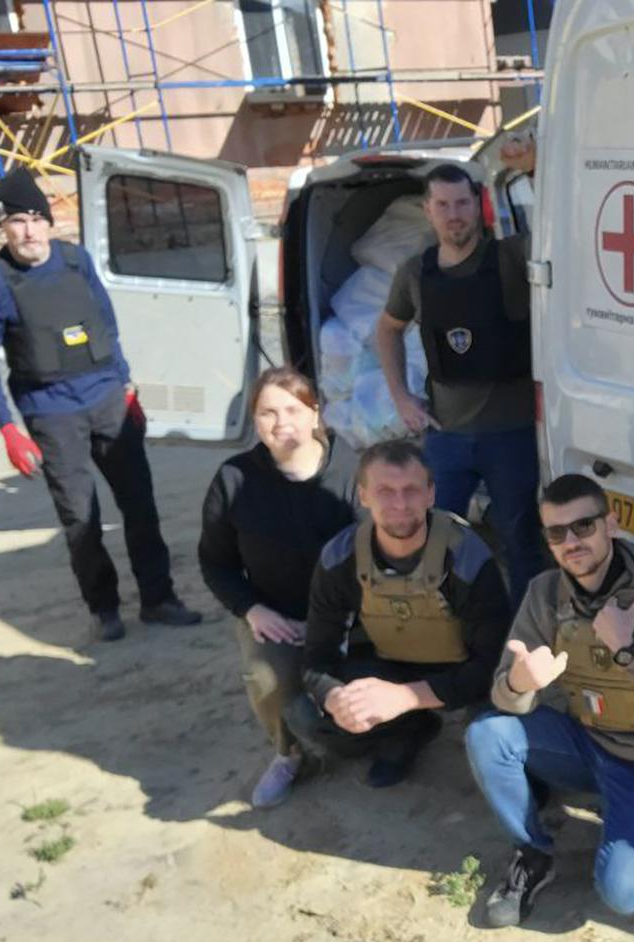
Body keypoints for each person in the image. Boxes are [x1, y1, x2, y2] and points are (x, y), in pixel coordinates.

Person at [465, 473, 634, 927]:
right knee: (488, 735)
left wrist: (628, 651)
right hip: (581, 740)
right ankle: (533, 853)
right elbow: (505, 696)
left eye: (583, 526)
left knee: (625, 895)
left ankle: (627, 817)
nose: (571, 542)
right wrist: (520, 683)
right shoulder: (544, 594)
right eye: (557, 533)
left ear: (611, 525)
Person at [0, 167, 200, 642]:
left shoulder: (75, 261)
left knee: (140, 504)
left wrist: (126, 386)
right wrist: (7, 427)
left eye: (35, 218)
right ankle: (104, 608)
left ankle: (159, 599)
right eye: (16, 222)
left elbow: (106, 326)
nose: (28, 230)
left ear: (49, 220)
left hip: (108, 399)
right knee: (80, 517)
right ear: (2, 227)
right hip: (51, 412)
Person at [285, 439, 510, 789]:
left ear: (431, 494)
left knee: (497, 731)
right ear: (363, 495)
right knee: (306, 715)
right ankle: (409, 730)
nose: (400, 504)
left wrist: (407, 697)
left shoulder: (467, 556)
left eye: (411, 490)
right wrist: (336, 697)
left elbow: (493, 664)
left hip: (466, 672)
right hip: (385, 668)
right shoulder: (339, 558)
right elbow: (317, 657)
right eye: (385, 491)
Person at [375, 159, 547, 602]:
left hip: (511, 435)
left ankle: (526, 638)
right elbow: (388, 328)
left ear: (478, 207)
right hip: (446, 435)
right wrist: (402, 398)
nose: (454, 214)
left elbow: (562, 228)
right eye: (443, 204)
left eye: (463, 203)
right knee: (434, 538)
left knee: (522, 542)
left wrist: (535, 170)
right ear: (428, 210)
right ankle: (446, 625)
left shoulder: (511, 257)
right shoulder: (415, 273)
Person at [198, 367, 359, 808]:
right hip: (277, 616)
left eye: (293, 409)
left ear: (315, 414)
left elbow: (377, 558)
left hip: (351, 614)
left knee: (354, 700)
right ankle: (288, 753)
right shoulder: (233, 480)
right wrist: (251, 609)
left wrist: (345, 622)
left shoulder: (351, 471)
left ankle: (388, 741)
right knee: (267, 678)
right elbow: (215, 561)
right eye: (268, 412)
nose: (282, 422)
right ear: (255, 421)